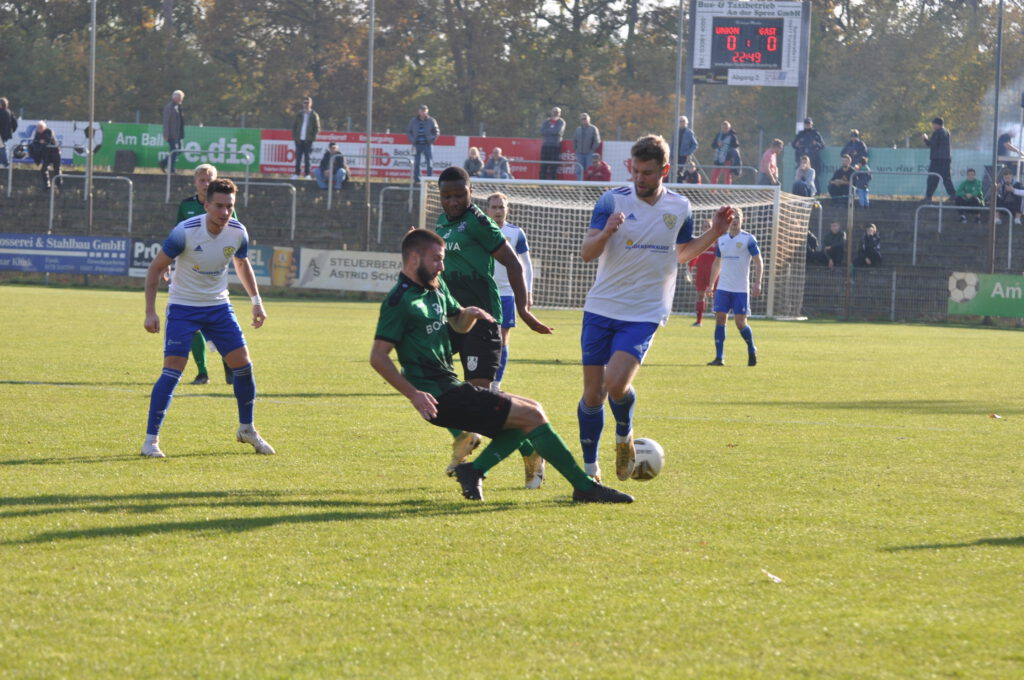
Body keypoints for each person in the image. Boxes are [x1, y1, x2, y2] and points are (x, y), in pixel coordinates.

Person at [370, 229, 632, 503]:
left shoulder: (436, 287)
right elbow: (378, 357)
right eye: (436, 259)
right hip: (439, 397)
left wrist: (469, 314)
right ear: (414, 259)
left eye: (443, 259)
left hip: (451, 387)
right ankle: (583, 487)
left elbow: (457, 321)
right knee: (533, 415)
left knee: (524, 420)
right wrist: (414, 394)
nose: (442, 266)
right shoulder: (399, 302)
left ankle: (474, 471)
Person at [578, 134, 731, 482]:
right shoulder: (610, 201)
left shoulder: (679, 207)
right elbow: (587, 252)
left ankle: (623, 434)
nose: (640, 179)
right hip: (602, 306)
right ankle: (590, 472)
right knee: (592, 394)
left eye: (648, 172)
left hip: (645, 310)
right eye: (636, 171)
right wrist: (606, 234)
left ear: (664, 170)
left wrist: (715, 233)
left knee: (616, 384)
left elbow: (680, 254)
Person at [431, 166, 553, 481]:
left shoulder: (479, 223)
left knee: (479, 403)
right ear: (440, 196)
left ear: (471, 193)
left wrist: (524, 309)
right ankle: (465, 438)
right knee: (426, 379)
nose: (454, 201)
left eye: (460, 194)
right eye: (447, 196)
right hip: (452, 318)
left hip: (482, 320)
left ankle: (529, 449)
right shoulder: (441, 222)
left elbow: (512, 261)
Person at [140, 178, 275, 458]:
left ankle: (247, 428)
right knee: (173, 370)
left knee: (244, 366)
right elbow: (155, 269)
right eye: (219, 206)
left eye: (230, 207)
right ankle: (151, 441)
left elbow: (241, 263)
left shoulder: (238, 232)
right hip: (183, 307)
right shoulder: (185, 232)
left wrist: (256, 302)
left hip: (218, 307)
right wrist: (150, 311)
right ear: (206, 204)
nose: (225, 213)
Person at [485, 192, 542, 487]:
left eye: (502, 208)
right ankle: (484, 379)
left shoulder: (515, 233)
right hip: (483, 292)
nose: (498, 211)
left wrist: (527, 294)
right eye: (494, 207)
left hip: (507, 294)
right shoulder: (481, 228)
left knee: (502, 338)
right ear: (487, 209)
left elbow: (526, 264)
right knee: (482, 339)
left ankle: (495, 383)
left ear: (508, 210)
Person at [176, 164, 234, 386]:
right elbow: (176, 237)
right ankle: (202, 372)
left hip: (213, 275)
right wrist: (168, 263)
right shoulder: (186, 206)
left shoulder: (224, 206)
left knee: (217, 325)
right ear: (195, 182)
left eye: (210, 179)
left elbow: (234, 232)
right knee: (192, 326)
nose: (206, 183)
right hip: (190, 274)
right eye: (202, 179)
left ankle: (228, 361)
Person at [707, 208, 762, 367]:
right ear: (728, 220)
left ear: (742, 220)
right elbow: (717, 262)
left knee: (740, 323)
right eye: (733, 217)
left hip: (740, 289)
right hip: (723, 287)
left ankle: (751, 348)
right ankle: (719, 357)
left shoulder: (748, 239)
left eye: (738, 217)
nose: (735, 220)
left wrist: (757, 282)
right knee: (720, 318)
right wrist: (711, 284)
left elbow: (758, 261)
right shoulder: (722, 240)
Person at [686, 220, 717, 327]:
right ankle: (699, 321)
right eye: (705, 226)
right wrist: (689, 268)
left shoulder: (718, 241)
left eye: (709, 226)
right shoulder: (699, 241)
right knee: (700, 295)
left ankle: (719, 319)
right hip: (701, 272)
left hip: (713, 273)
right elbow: (694, 256)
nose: (706, 228)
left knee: (716, 296)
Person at [922, 116, 956, 201]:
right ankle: (953, 195)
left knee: (932, 178)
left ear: (937, 124)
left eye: (933, 124)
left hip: (937, 159)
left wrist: (925, 139)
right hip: (946, 159)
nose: (933, 126)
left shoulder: (937, 132)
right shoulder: (947, 132)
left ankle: (928, 197)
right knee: (946, 178)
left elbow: (933, 145)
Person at [407, 104, 439, 183]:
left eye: (425, 111)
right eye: (422, 110)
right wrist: (412, 140)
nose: (423, 112)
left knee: (429, 162)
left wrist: (432, 140)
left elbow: (437, 131)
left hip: (427, 145)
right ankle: (417, 179)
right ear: (419, 112)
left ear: (427, 111)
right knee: (417, 163)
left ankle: (429, 179)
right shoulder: (413, 121)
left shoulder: (431, 120)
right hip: (417, 145)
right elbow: (409, 132)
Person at [791, 117, 825, 193]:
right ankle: (799, 192)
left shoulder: (815, 133)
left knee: (813, 176)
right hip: (802, 159)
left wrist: (816, 143)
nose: (807, 125)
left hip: (813, 159)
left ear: (812, 124)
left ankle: (816, 193)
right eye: (806, 123)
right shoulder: (801, 134)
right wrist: (796, 144)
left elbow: (822, 145)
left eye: (808, 123)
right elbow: (793, 144)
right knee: (800, 176)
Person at [291, 96, 320, 180]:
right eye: (304, 102)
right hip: (299, 140)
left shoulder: (314, 115)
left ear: (311, 104)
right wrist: (295, 137)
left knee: (308, 158)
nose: (306, 104)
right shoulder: (299, 114)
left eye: (307, 103)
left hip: (308, 140)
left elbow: (317, 128)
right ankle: (297, 173)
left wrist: (312, 138)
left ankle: (307, 174)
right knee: (298, 157)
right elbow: (295, 126)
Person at [30, 121, 61, 190]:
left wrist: (42, 141)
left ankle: (59, 185)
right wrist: (40, 142)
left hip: (55, 152)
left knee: (57, 169)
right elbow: (35, 141)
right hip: (46, 153)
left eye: (41, 128)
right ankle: (47, 186)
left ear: (44, 127)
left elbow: (48, 140)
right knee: (43, 169)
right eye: (38, 128)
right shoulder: (37, 133)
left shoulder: (49, 131)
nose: (39, 129)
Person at [161, 90, 185, 173]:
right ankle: (171, 169)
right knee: (174, 150)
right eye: (179, 98)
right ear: (174, 98)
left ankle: (163, 162)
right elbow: (166, 121)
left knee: (178, 151)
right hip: (172, 135)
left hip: (179, 134)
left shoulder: (179, 107)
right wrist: (166, 134)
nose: (180, 100)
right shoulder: (169, 107)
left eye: (181, 98)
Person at [573, 113, 601, 180]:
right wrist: (576, 149)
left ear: (589, 119)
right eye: (582, 119)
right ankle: (579, 187)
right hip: (579, 153)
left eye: (585, 118)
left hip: (589, 154)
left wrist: (592, 150)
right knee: (579, 170)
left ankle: (588, 187)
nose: (584, 120)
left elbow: (597, 141)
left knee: (589, 170)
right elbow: (574, 140)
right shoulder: (578, 129)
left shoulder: (593, 128)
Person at [539, 107, 565, 180]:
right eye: (554, 111)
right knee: (543, 165)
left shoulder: (561, 122)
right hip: (546, 145)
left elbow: (558, 131)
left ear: (560, 113)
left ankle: (552, 184)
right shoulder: (546, 122)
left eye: (557, 112)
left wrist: (548, 131)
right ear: (551, 112)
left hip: (555, 146)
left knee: (554, 166)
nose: (555, 113)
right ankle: (542, 183)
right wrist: (552, 131)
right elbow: (542, 131)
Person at [675, 116, 698, 182]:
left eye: (683, 121)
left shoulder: (689, 132)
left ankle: (681, 188)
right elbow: (673, 144)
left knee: (682, 173)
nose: (682, 123)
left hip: (684, 156)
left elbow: (695, 144)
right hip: (676, 156)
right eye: (680, 121)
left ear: (686, 123)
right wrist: (671, 155)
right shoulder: (676, 132)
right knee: (675, 173)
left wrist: (688, 153)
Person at [0, 97, 18, 168]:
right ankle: (4, 162)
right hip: (5, 134)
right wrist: (11, 131)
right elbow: (15, 124)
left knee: (2, 147)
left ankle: (5, 162)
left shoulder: (2, 112)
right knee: (3, 146)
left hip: (1, 134)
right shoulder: (9, 112)